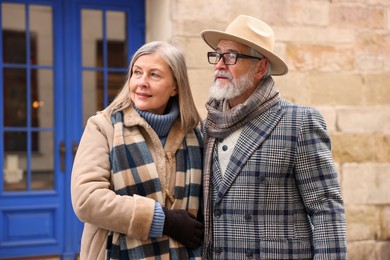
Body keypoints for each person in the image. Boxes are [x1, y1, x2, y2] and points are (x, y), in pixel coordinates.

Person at [200, 15, 347, 259]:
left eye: (231, 56)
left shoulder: (299, 122)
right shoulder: (208, 126)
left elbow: (326, 209)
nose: (219, 65)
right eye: (217, 55)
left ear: (260, 67)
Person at [71, 41, 204, 259]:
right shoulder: (103, 127)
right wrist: (163, 221)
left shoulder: (195, 135)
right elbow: (87, 200)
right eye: (137, 72)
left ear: (175, 86)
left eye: (154, 75)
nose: (142, 82)